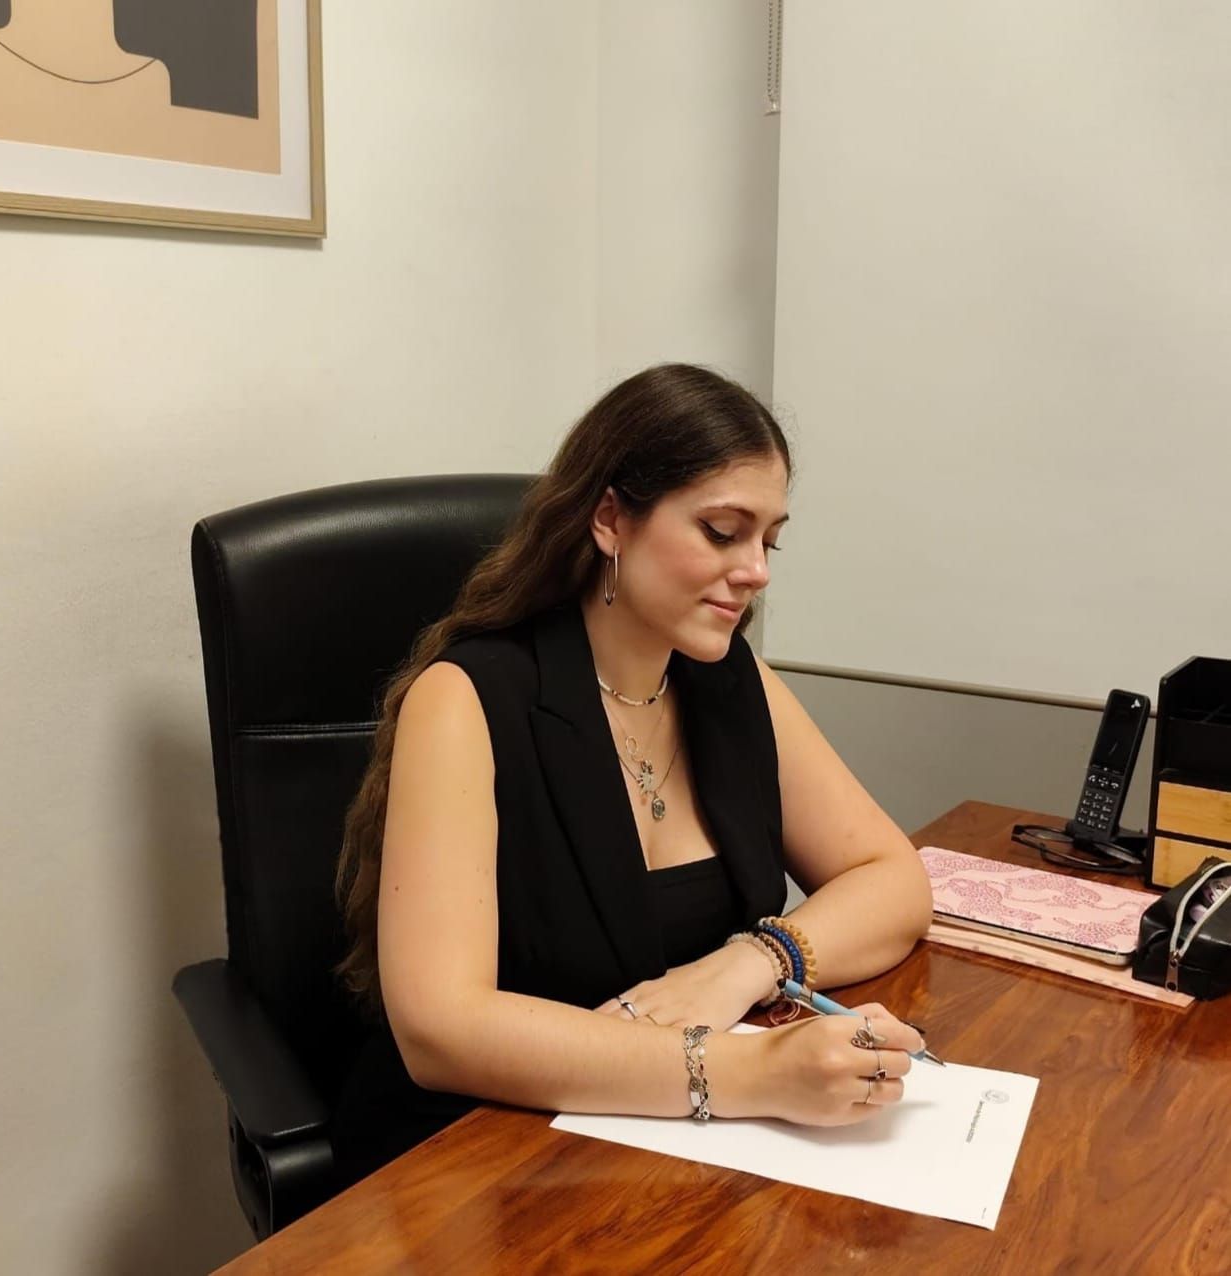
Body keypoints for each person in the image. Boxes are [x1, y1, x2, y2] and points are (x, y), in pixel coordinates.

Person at [332, 363, 934, 1180]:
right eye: (722, 532)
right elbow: (440, 1029)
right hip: (480, 1159)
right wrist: (751, 1072)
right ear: (611, 519)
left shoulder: (731, 680)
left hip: (671, 1151)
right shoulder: (467, 697)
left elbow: (893, 879)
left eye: (769, 540)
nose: (757, 570)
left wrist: (752, 962)